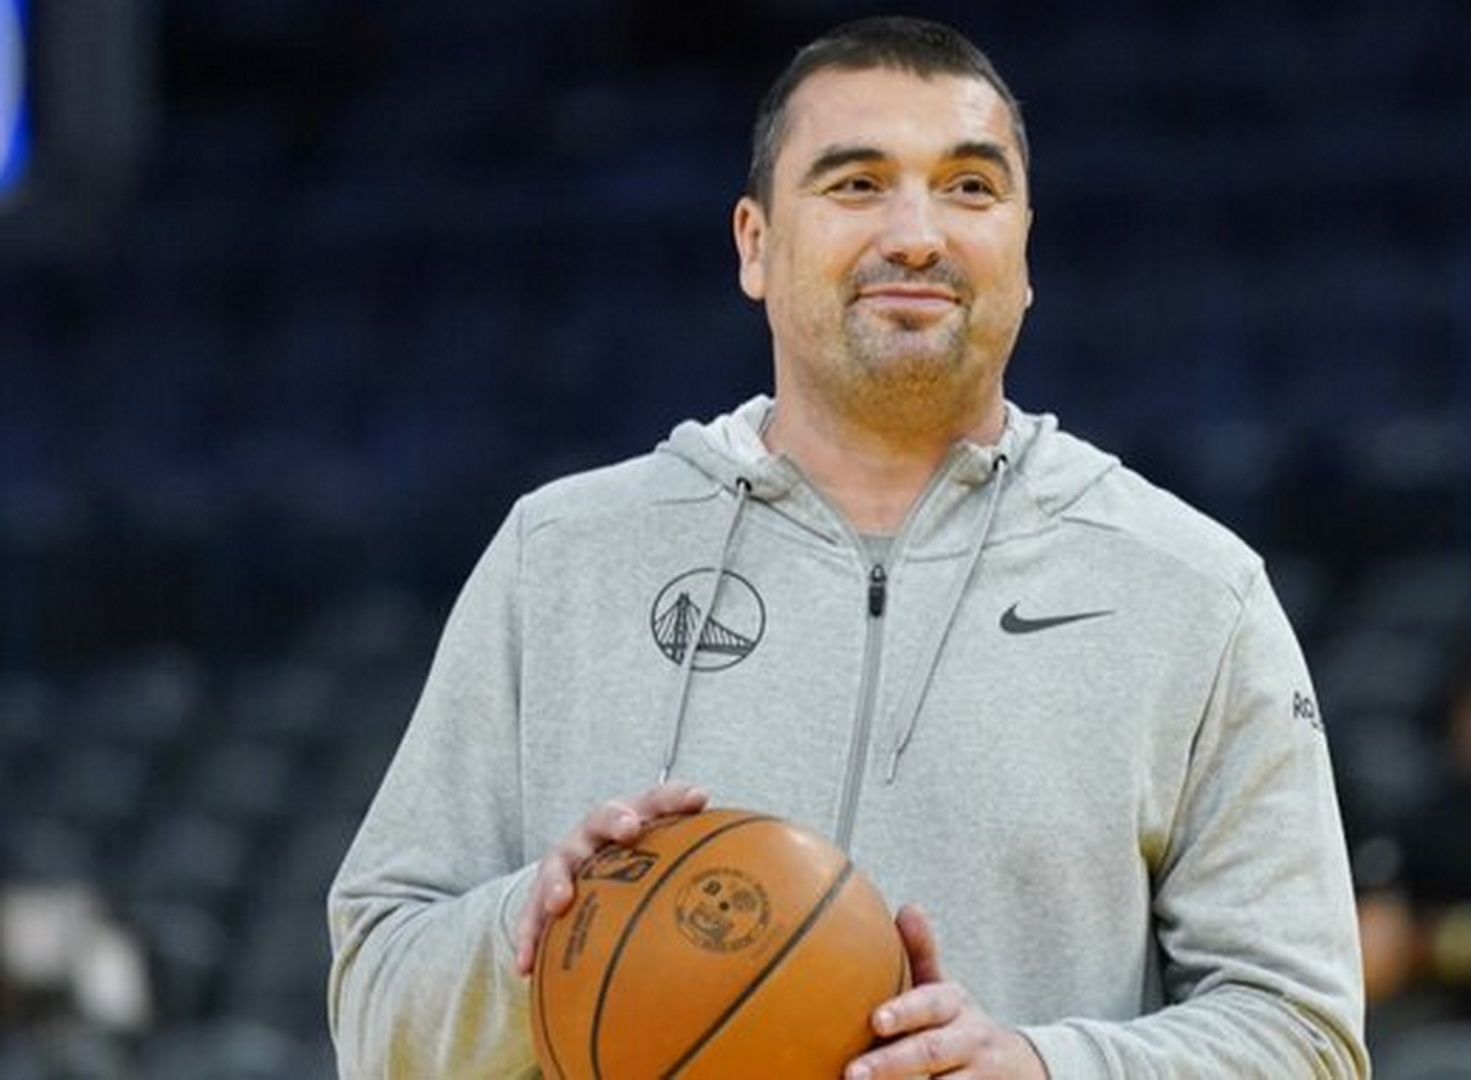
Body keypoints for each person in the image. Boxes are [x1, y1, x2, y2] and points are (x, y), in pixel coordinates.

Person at [326, 16, 1366, 1078]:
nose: (916, 234)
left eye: (970, 188)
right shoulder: (561, 557)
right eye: (857, 183)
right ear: (755, 244)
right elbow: (373, 1010)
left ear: (1024, 252)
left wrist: (1044, 1068)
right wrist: (535, 937)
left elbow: (1307, 1040)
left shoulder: (1192, 592)